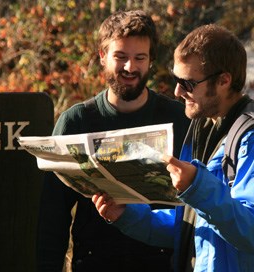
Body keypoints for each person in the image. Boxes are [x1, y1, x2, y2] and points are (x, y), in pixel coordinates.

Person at [92, 23, 254, 271]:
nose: (178, 91)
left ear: (224, 81)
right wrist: (126, 215)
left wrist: (197, 186)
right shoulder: (203, 130)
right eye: (176, 80)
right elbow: (187, 229)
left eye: (187, 83)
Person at [36, 10, 190, 272]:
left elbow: (198, 206)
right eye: (120, 57)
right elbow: (52, 217)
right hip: (95, 263)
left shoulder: (179, 119)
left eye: (139, 58)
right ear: (102, 57)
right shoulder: (76, 121)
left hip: (163, 263)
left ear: (151, 60)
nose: (130, 67)